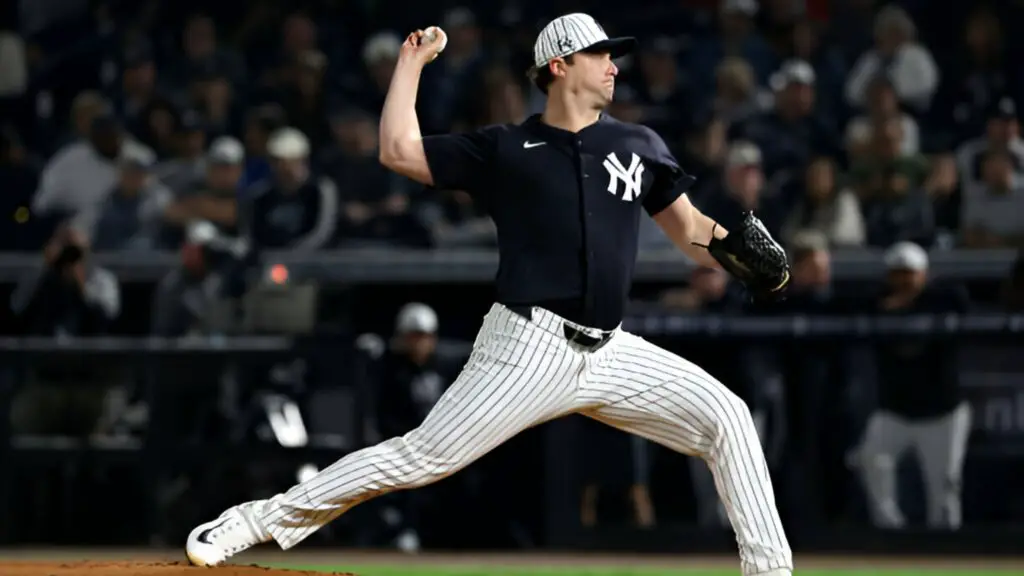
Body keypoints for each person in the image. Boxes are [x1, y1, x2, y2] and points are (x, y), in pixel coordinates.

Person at [186, 14, 793, 576]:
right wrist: (411, 64)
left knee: (729, 418)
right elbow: (397, 152)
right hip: (527, 346)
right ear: (559, 65)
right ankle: (252, 520)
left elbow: (686, 228)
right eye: (600, 54)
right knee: (420, 457)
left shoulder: (637, 144)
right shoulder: (505, 148)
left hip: (611, 350)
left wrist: (735, 254)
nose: (613, 65)